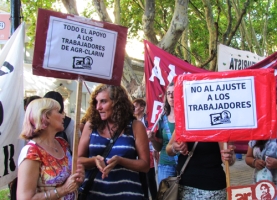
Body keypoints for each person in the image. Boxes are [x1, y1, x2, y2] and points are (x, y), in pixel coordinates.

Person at [78, 84, 150, 199]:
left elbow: (145, 165)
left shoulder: (136, 126)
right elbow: (78, 159)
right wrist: (94, 160)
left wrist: (121, 161)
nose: (98, 107)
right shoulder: (91, 125)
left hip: (127, 194)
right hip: (94, 193)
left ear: (117, 103)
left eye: (103, 102)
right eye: (96, 102)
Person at [17, 98, 84, 200]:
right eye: (59, 112)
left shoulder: (62, 144)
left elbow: (70, 182)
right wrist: (63, 190)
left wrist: (77, 179)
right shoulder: (32, 152)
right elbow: (25, 198)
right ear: (46, 116)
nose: (63, 116)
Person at [166, 131, 236, 199]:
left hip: (211, 189)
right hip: (183, 185)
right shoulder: (185, 122)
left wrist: (229, 156)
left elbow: (228, 161)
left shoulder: (220, 124)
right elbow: (169, 149)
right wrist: (175, 148)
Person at [147, 81, 177, 185]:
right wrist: (152, 139)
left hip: (185, 164)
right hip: (166, 166)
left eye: (174, 92)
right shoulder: (162, 118)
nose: (171, 96)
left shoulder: (187, 118)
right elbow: (159, 147)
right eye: (168, 93)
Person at [133, 98, 157, 200]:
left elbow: (154, 134)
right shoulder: (132, 122)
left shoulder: (149, 121)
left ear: (142, 108)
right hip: (136, 155)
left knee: (150, 179)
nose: (133, 109)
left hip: (149, 153)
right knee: (141, 180)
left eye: (135, 106)